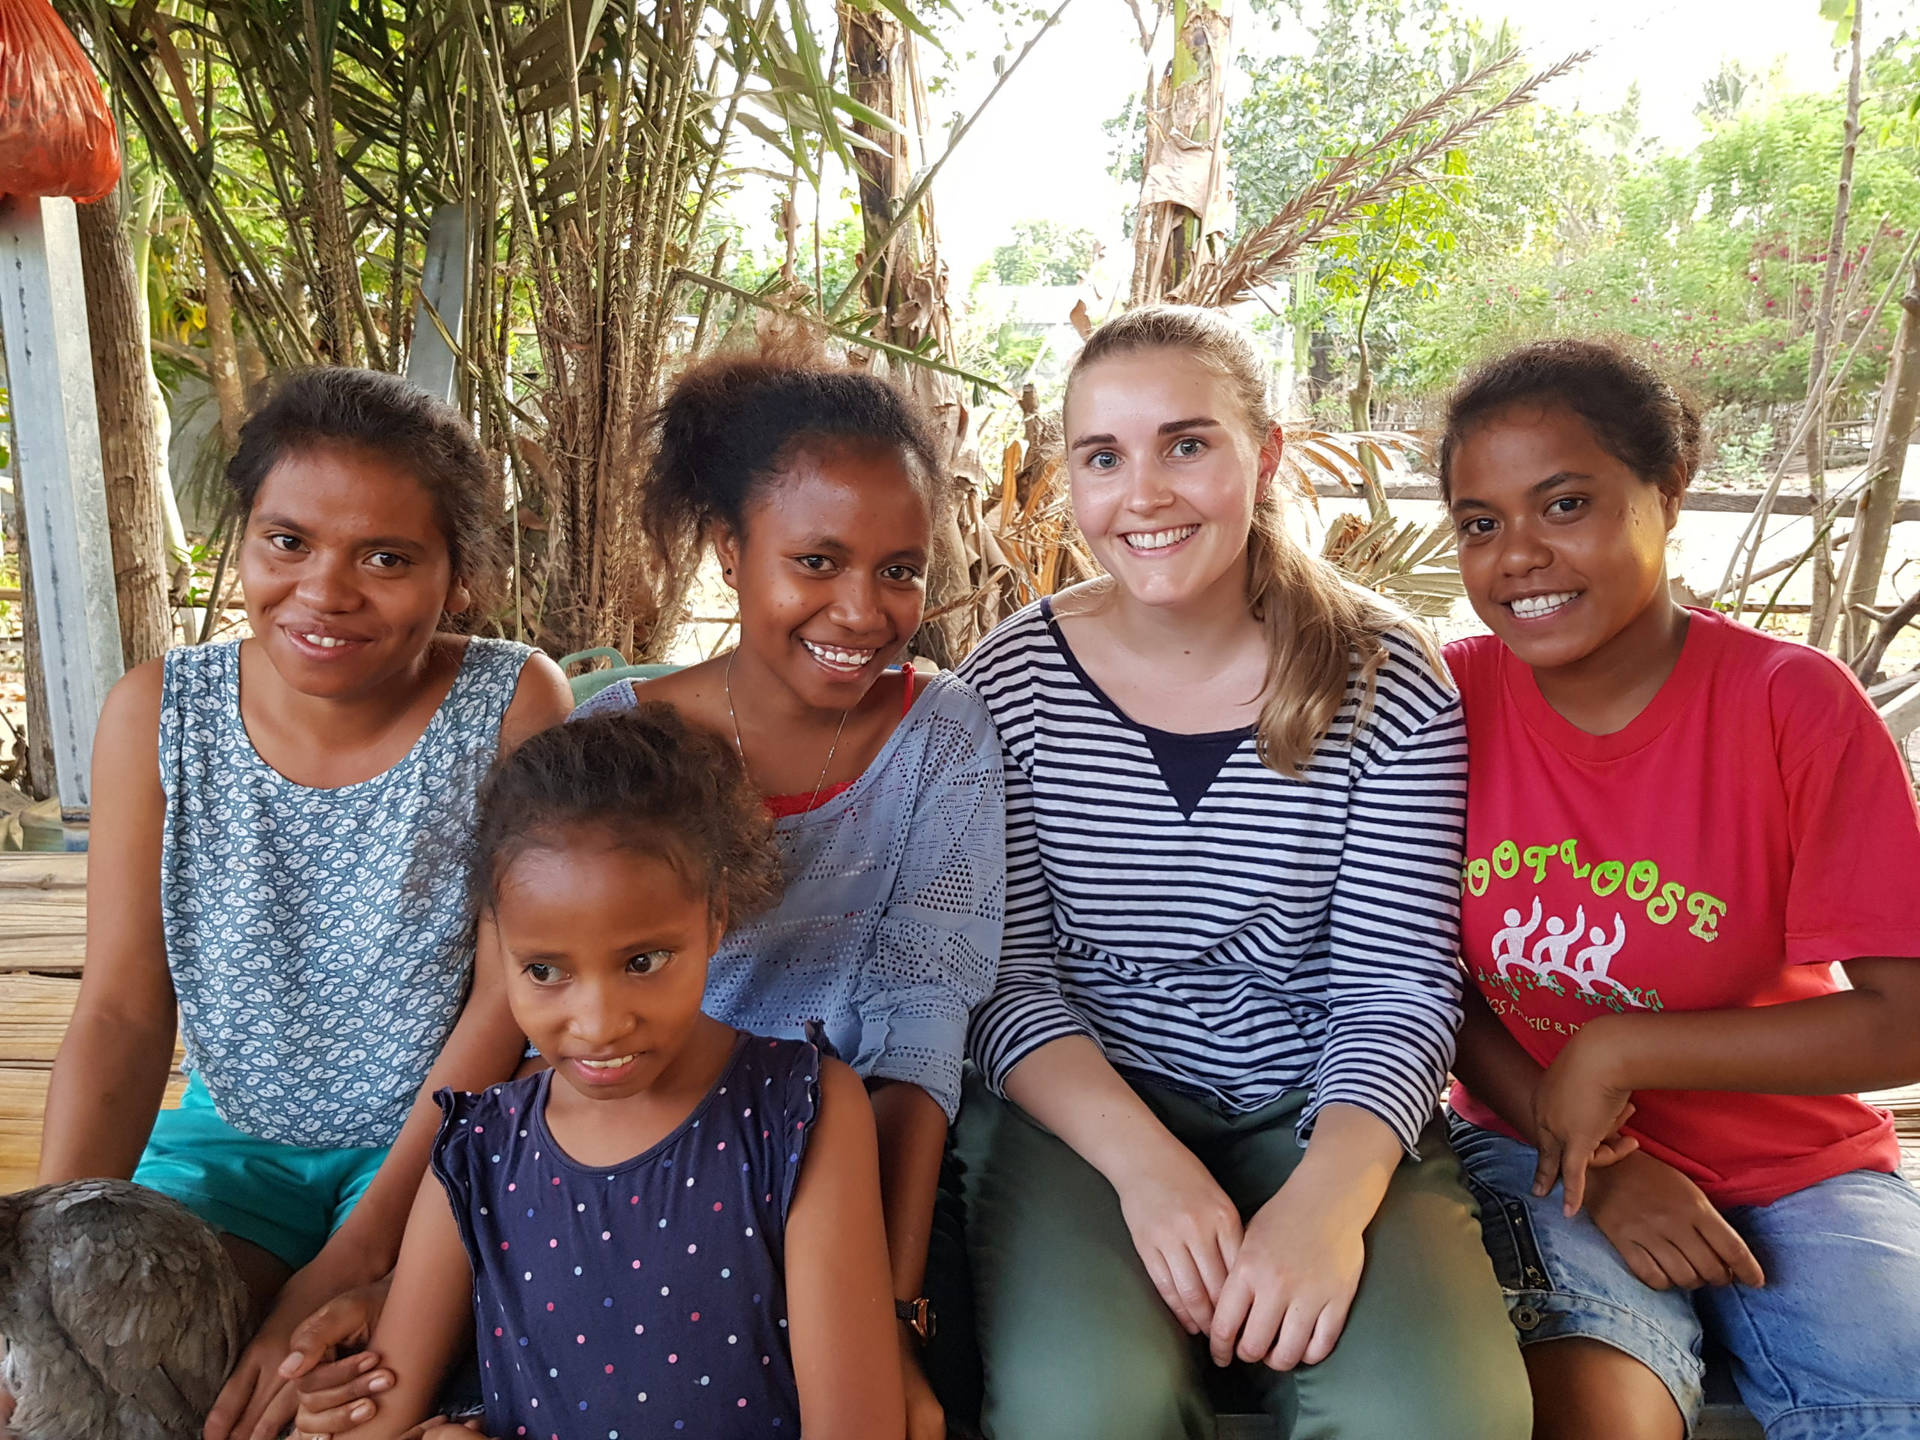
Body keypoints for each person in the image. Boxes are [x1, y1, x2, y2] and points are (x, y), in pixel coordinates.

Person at [291, 333, 1002, 1439]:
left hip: (839, 1165)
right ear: (731, 550)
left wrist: (897, 1310)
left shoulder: (942, 734)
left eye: (899, 570)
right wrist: (424, 1259)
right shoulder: (615, 748)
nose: (862, 611)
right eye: (816, 561)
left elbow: (918, 1035)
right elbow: (541, 1019)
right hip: (620, 1137)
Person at [952, 304, 1530, 1440]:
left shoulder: (1382, 676)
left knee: (1442, 1417)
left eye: (1188, 443)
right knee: (1085, 1409)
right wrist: (1151, 1173)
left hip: (1325, 1102)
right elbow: (1007, 979)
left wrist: (1330, 1200)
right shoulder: (1011, 683)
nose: (1145, 493)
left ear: (1262, 456)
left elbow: (1398, 980)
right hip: (1088, 1108)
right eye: (1102, 457)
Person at [34, 368, 575, 1440]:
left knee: (346, 1395)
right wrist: (42, 1263)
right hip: (234, 1143)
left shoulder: (513, 700)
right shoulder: (157, 713)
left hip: (443, 1145)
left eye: (385, 557)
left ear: (456, 576)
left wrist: (357, 1254)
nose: (325, 591)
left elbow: (506, 999)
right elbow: (123, 1013)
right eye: (287, 542)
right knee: (114, 1356)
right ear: (243, 541)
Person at [1440, 339, 1920, 1440]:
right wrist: (1600, 1169)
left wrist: (1622, 1048)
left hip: (1799, 1167)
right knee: (1593, 1412)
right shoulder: (1450, 704)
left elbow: (1907, 1018)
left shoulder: (1790, 705)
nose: (1518, 555)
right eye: (1480, 522)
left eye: (1565, 504)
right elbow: (1429, 980)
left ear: (1669, 491)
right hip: (1542, 1154)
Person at [321, 708, 903, 1440]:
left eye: (642, 961)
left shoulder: (799, 1113)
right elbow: (379, 1415)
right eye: (544, 970)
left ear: (715, 916)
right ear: (498, 946)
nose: (597, 1023)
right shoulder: (474, 1157)